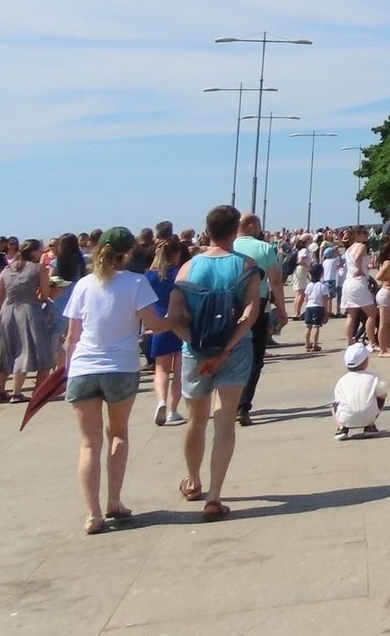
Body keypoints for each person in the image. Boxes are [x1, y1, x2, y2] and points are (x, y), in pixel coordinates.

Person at [60, 227, 180, 534]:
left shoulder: (84, 284)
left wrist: (66, 369)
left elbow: (72, 337)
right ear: (128, 253)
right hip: (120, 367)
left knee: (89, 444)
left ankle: (92, 513)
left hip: (84, 367)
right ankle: (114, 501)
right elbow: (154, 323)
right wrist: (179, 320)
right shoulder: (136, 282)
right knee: (118, 435)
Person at [169, 204, 262, 522]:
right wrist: (226, 349)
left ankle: (193, 480)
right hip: (235, 351)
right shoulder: (246, 266)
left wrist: (197, 345)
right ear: (236, 229)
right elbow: (250, 314)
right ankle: (215, 495)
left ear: (206, 230)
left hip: (195, 353)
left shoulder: (187, 269)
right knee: (224, 421)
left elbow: (174, 318)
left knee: (196, 419)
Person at [233, 213, 286, 429]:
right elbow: (275, 281)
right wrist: (281, 308)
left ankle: (229, 402)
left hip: (230, 305)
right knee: (255, 358)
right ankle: (243, 406)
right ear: (252, 225)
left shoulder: (228, 246)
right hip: (259, 304)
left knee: (231, 355)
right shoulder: (264, 248)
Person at [0, 236, 55, 404]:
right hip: (28, 310)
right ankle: (17, 392)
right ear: (33, 252)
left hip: (7, 310)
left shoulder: (7, 269)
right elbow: (45, 293)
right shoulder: (38, 268)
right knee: (24, 351)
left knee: (7, 351)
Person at [146, 237, 186, 426]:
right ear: (176, 254)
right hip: (178, 322)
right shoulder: (181, 273)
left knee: (161, 370)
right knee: (179, 370)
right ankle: (173, 410)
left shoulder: (150, 276)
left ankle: (161, 400)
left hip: (158, 323)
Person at [332, 342, 387, 440]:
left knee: (335, 404)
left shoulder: (342, 381)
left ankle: (342, 428)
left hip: (347, 418)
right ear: (365, 361)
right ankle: (370, 426)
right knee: (379, 396)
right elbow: (382, 392)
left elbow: (338, 399)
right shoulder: (373, 377)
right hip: (369, 416)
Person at [340, 228, 378, 346]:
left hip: (348, 282)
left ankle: (350, 342)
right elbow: (357, 259)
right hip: (358, 282)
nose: (367, 235)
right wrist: (359, 269)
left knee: (351, 315)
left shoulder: (348, 249)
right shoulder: (361, 246)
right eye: (365, 233)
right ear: (358, 235)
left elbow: (360, 262)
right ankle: (372, 342)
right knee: (372, 313)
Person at [372, 240, 390, 355]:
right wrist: (387, 279)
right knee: (384, 323)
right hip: (385, 293)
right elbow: (379, 276)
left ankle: (387, 347)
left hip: (387, 294)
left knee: (387, 323)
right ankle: (382, 349)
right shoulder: (388, 262)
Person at [300, 264, 330, 353]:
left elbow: (305, 298)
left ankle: (307, 343)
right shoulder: (322, 286)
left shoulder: (309, 285)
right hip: (318, 307)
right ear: (321, 274)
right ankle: (315, 344)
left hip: (309, 306)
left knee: (308, 326)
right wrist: (326, 311)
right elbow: (325, 300)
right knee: (316, 326)